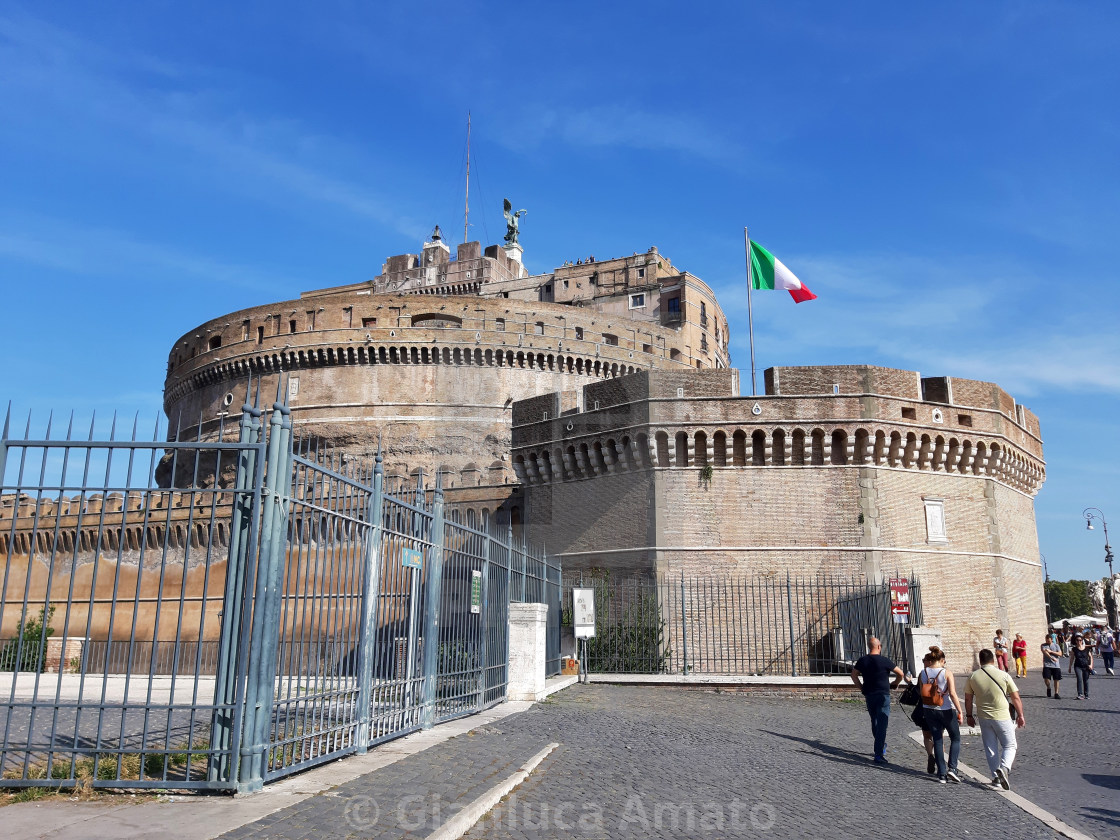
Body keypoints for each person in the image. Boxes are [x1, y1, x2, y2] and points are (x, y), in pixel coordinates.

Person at [965, 649, 1026, 790]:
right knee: (1010, 745)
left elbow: (968, 698)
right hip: (1002, 716)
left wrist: (969, 715)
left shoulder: (973, 676)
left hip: (983, 717)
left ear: (980, 661)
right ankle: (1004, 768)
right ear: (993, 660)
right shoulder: (1003, 675)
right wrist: (1021, 715)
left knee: (990, 748)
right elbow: (1015, 697)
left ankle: (996, 778)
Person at [850, 637, 906, 764]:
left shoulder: (863, 660)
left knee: (874, 720)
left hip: (869, 694)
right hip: (883, 695)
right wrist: (895, 683)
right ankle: (879, 753)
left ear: (869, 647)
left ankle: (880, 746)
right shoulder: (884, 660)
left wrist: (861, 688)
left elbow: (853, 675)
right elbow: (901, 674)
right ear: (879, 647)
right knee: (882, 724)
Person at [919, 645, 964, 783]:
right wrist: (960, 711)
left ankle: (942, 775)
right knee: (955, 737)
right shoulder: (946, 672)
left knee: (937, 740)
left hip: (929, 709)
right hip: (946, 709)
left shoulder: (923, 672)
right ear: (942, 660)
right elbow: (952, 693)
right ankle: (952, 768)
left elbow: (922, 692)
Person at [1069, 634, 1094, 700]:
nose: (1079, 641)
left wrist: (1091, 665)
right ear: (1075, 641)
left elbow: (1090, 657)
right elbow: (1072, 658)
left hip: (1086, 666)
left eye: (1080, 640)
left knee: (1086, 680)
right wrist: (1070, 667)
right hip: (1077, 666)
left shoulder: (1086, 648)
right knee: (1079, 679)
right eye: (1077, 640)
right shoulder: (1074, 649)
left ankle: (1086, 694)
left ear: (1082, 641)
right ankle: (1080, 694)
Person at [1040, 633, 1063, 698]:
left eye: (1049, 640)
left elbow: (1060, 654)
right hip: (1047, 664)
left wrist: (1051, 652)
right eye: (1046, 640)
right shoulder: (1043, 645)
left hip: (1056, 665)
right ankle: (1048, 687)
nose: (1047, 642)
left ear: (1052, 639)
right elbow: (1045, 652)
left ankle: (1056, 693)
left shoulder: (1056, 645)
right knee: (1046, 678)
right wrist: (1051, 657)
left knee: (1056, 679)